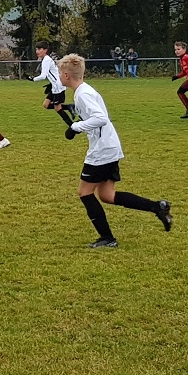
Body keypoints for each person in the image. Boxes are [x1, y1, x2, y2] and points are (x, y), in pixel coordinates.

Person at [58, 54, 172, 248]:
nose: (59, 76)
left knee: (84, 193)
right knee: (107, 195)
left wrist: (75, 127)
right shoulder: (83, 91)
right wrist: (72, 109)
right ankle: (157, 207)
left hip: (102, 150)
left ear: (67, 75)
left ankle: (107, 238)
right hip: (109, 146)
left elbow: (100, 118)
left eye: (60, 73)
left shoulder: (83, 93)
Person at [28, 41, 73, 127]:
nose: (37, 51)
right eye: (36, 49)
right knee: (46, 105)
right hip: (55, 86)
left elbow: (43, 76)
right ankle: (69, 107)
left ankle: (72, 126)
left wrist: (33, 79)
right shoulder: (45, 59)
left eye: (39, 49)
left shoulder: (46, 60)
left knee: (57, 108)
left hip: (58, 86)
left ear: (45, 50)